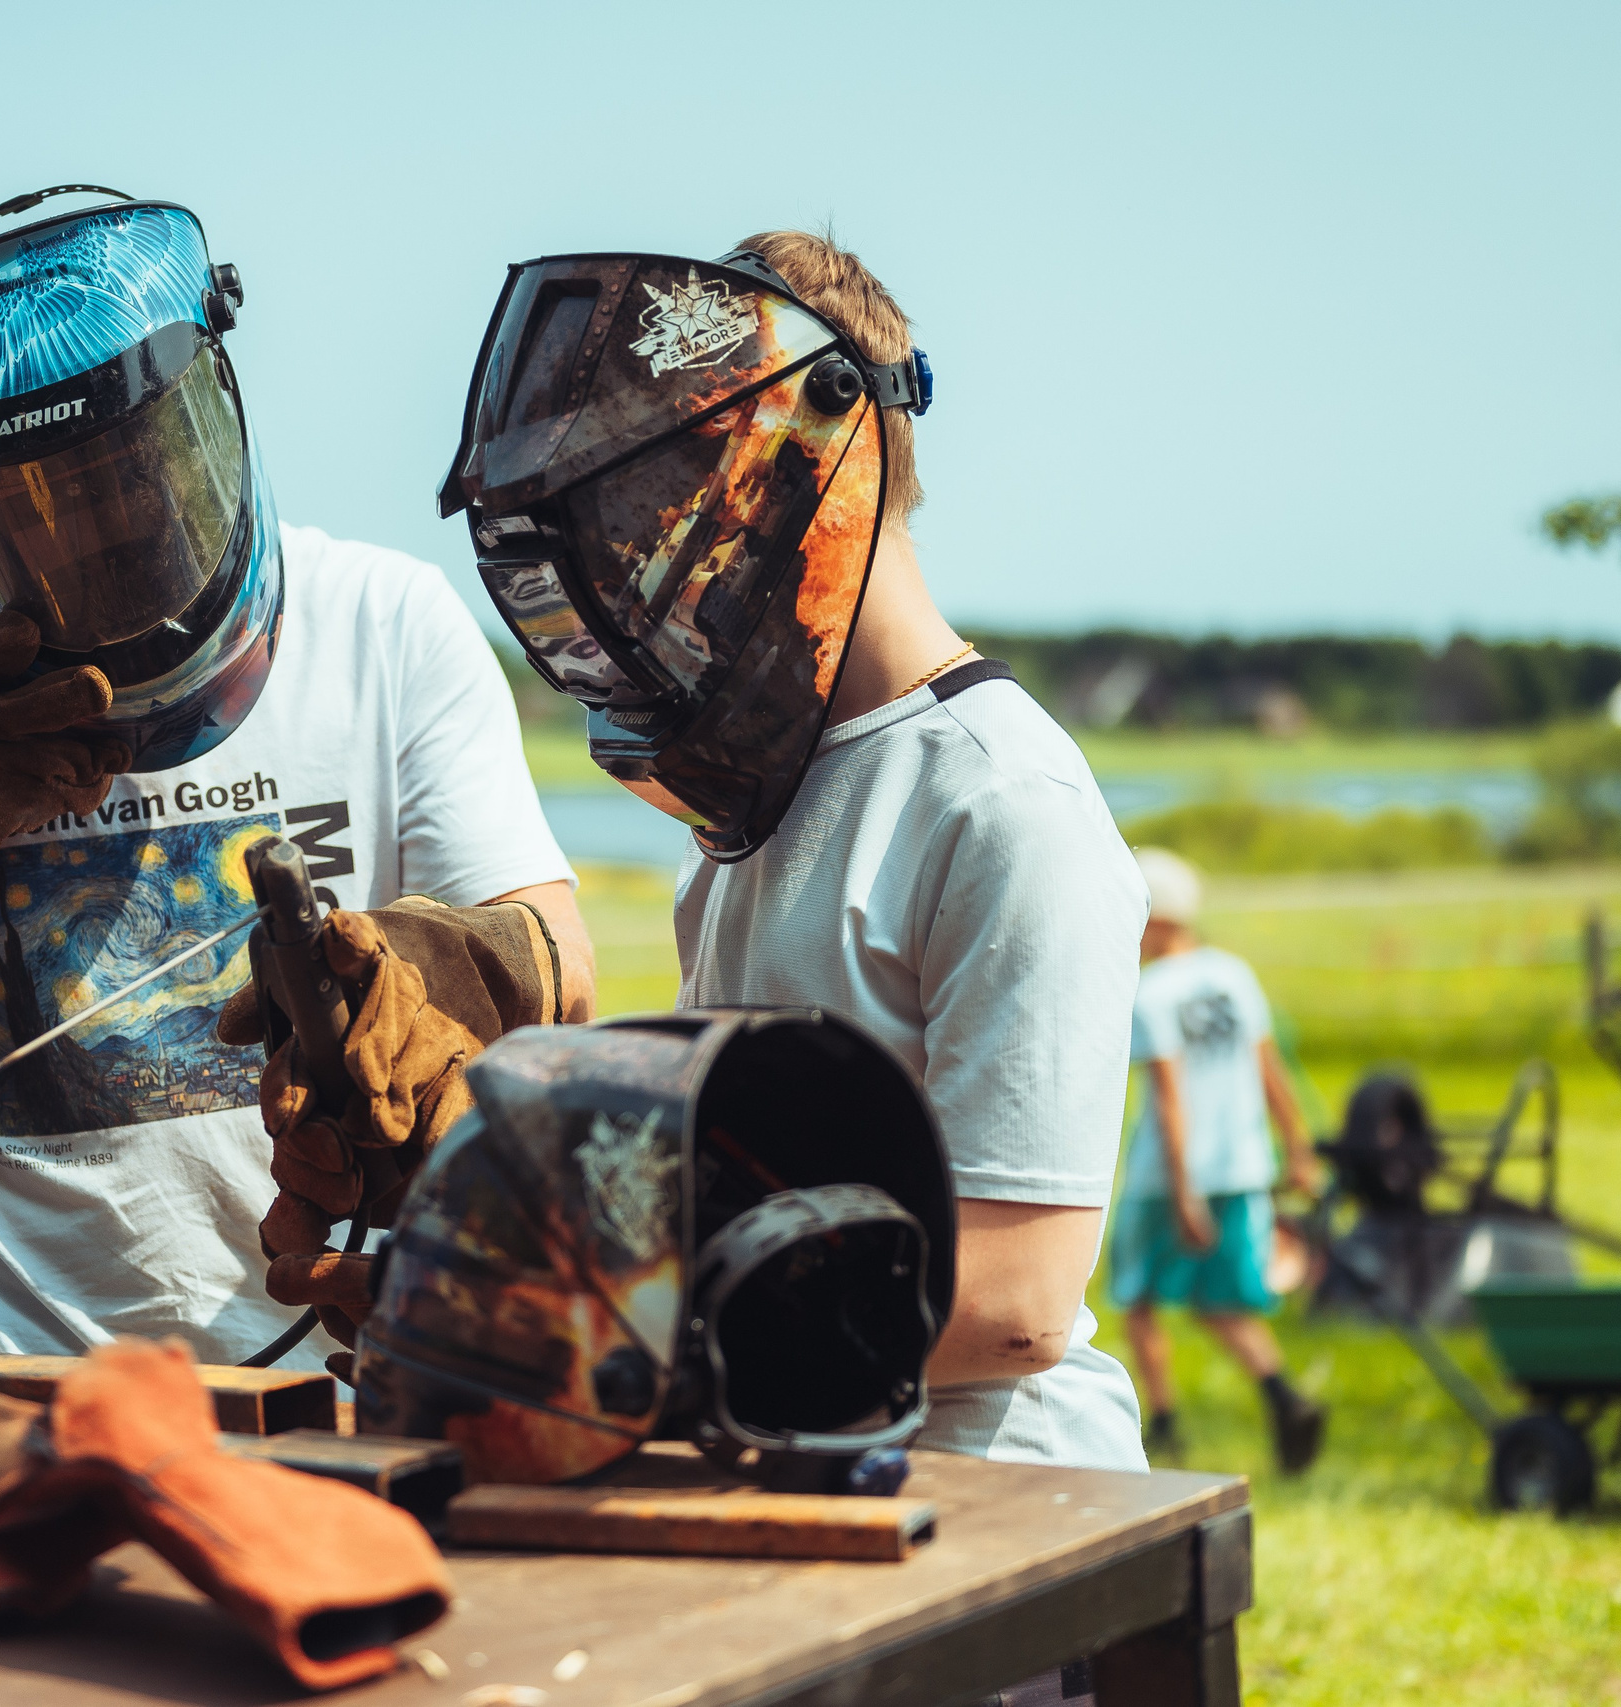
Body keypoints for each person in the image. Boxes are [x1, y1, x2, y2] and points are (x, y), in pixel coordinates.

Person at [0, 187, 591, 1371]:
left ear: (208, 413)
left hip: (322, 1391)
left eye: (120, 482)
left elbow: (557, 975)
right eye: (16, 505)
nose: (79, 538)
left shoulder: (384, 623)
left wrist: (426, 972)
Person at [435, 230, 1151, 1477]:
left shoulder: (1000, 802)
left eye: (674, 488)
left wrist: (635, 1359)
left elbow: (1015, 1297)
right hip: (809, 1466)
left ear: (821, 448)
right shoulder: (752, 799)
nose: (648, 542)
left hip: (1003, 1507)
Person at [1112, 846, 1327, 1471]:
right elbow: (1270, 1066)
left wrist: (1182, 1193)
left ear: (1155, 919)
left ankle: (1164, 1424)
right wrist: (1297, 1145)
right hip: (1242, 1166)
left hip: (1168, 1177)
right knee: (1220, 1300)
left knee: (1139, 1300)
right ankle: (1284, 1396)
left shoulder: (1150, 994)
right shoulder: (1233, 975)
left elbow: (1172, 1102)